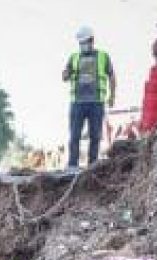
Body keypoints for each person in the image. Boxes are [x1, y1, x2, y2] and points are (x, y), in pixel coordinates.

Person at [62, 26, 116, 169]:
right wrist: (66, 73)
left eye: (84, 42)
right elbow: (64, 76)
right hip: (77, 103)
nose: (82, 45)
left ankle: (92, 166)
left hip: (96, 102)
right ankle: (72, 165)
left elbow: (111, 76)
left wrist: (112, 96)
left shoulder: (103, 56)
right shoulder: (74, 57)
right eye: (80, 43)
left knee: (95, 136)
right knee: (74, 136)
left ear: (92, 40)